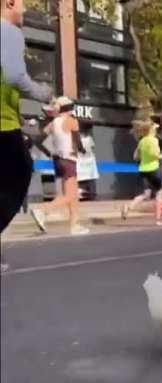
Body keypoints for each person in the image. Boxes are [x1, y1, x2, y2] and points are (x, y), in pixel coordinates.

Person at [0, 0, 52, 235]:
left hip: (8, 119)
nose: (24, 10)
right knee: (21, 170)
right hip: (2, 124)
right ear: (9, 3)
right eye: (22, 4)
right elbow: (13, 76)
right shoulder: (9, 31)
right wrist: (44, 93)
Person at [30, 96, 89, 235]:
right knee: (69, 196)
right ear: (69, 108)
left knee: (72, 195)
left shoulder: (52, 124)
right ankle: (42, 210)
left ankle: (75, 226)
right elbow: (77, 140)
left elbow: (37, 140)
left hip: (57, 161)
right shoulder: (72, 121)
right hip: (69, 160)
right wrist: (82, 150)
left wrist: (49, 152)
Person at [121, 120, 162, 225]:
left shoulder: (142, 141)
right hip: (154, 169)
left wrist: (144, 158)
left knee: (145, 194)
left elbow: (135, 157)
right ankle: (158, 219)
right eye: (155, 128)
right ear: (151, 130)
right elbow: (155, 154)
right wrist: (160, 156)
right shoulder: (154, 140)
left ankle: (129, 207)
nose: (156, 130)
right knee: (159, 193)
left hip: (143, 170)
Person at [77, 121, 99, 200]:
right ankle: (91, 194)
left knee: (81, 180)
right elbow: (92, 148)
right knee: (90, 180)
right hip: (89, 163)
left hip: (81, 162)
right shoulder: (89, 139)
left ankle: (82, 194)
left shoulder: (77, 139)